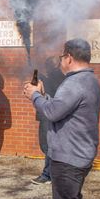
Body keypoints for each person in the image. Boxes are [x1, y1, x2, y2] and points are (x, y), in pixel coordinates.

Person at [23, 38, 100, 199]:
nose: (60, 61)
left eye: (61, 57)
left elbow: (53, 113)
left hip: (69, 156)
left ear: (68, 57)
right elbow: (63, 109)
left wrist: (35, 96)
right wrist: (45, 97)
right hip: (79, 153)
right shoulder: (90, 80)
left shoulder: (74, 83)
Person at [31, 56, 65, 185]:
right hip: (50, 114)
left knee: (47, 145)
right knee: (48, 145)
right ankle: (50, 174)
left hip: (49, 114)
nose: (46, 68)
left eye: (47, 65)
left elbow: (48, 93)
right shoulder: (58, 77)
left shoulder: (56, 77)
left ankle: (47, 175)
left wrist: (40, 81)